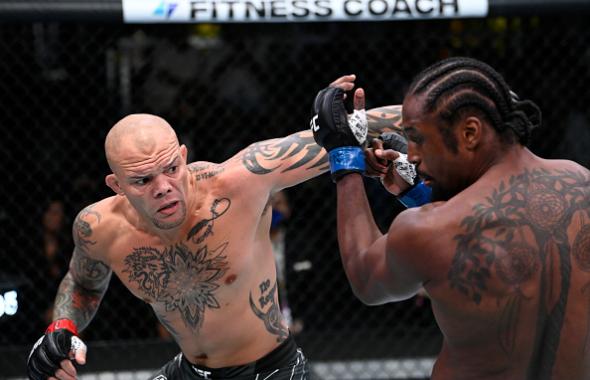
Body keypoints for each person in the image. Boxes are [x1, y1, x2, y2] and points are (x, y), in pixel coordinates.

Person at [26, 75, 403, 380]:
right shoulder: (97, 227)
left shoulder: (241, 181)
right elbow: (83, 282)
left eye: (171, 168)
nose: (163, 188)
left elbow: (342, 131)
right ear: (116, 186)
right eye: (142, 181)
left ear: (184, 157)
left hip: (270, 369)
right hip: (189, 370)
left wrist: (446, 105)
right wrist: (62, 326)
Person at [311, 57, 590, 379]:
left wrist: (344, 156)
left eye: (419, 137)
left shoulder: (429, 228)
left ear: (470, 132)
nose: (412, 155)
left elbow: (366, 278)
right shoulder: (579, 182)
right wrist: (418, 195)